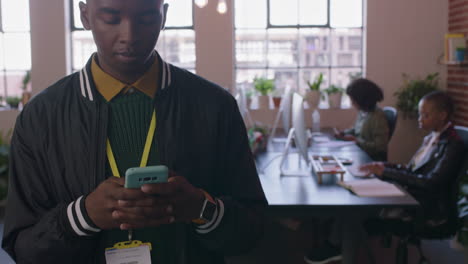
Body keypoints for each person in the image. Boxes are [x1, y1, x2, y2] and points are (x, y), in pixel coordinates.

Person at [2, 0, 266, 263]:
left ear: (163, 16)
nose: (130, 36)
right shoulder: (40, 118)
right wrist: (84, 216)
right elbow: (23, 247)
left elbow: (254, 230)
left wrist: (200, 208)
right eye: (111, 18)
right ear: (85, 16)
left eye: (147, 18)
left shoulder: (215, 106)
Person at [304, 91, 465, 264]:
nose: (419, 118)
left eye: (425, 115)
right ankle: (336, 245)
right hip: (412, 194)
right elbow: (412, 169)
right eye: (420, 114)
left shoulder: (453, 145)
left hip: (427, 209)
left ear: (442, 116)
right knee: (353, 198)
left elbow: (431, 182)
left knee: (356, 210)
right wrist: (383, 167)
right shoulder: (431, 138)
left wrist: (386, 173)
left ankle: (338, 247)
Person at [335, 78, 389, 161]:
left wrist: (357, 141)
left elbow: (380, 147)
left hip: (371, 160)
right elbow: (356, 129)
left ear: (362, 99)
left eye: (353, 100)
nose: (352, 103)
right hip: (360, 154)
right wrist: (343, 133)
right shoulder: (363, 112)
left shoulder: (378, 117)